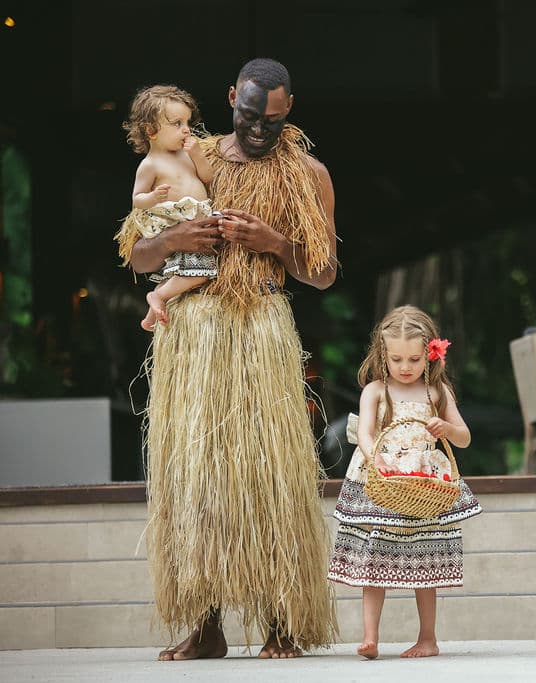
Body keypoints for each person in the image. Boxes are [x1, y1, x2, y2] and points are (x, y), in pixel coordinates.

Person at [115, 58, 339, 660]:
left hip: (263, 329)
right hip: (193, 334)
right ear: (232, 99)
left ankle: (280, 622)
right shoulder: (194, 154)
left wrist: (274, 243)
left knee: (270, 480)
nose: (257, 129)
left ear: (287, 108)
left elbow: (322, 272)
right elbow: (137, 254)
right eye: (246, 115)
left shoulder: (307, 173)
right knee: (196, 480)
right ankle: (206, 623)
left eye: (269, 120)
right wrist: (172, 242)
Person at [328, 305, 482, 659]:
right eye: (397, 359)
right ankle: (370, 638)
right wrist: (374, 457)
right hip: (381, 479)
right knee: (374, 556)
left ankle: (428, 637)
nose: (406, 367)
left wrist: (447, 428)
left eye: (414, 359)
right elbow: (366, 433)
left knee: (423, 560)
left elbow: (465, 438)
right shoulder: (376, 390)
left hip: (421, 485)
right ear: (383, 354)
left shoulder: (437, 392)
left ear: (430, 355)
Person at [122, 85, 218, 332]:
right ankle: (159, 296)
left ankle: (151, 316)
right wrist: (153, 196)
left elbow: (208, 178)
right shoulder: (150, 165)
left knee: (189, 271)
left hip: (197, 219)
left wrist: (197, 155)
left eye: (187, 122)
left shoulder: (185, 155)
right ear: (151, 130)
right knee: (200, 273)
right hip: (177, 224)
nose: (186, 129)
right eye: (177, 123)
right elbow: (137, 199)